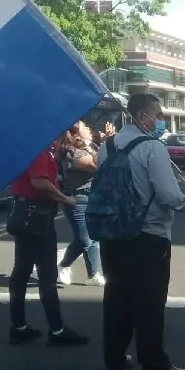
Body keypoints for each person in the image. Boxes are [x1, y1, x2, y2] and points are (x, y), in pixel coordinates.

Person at [95, 93, 185, 370]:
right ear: (143, 116)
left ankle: (115, 359)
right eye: (157, 115)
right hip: (148, 236)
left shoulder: (106, 147)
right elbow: (169, 195)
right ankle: (155, 363)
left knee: (117, 297)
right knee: (149, 302)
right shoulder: (152, 148)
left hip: (113, 234)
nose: (161, 121)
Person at [7, 137, 89, 346]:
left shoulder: (25, 149)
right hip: (37, 218)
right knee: (47, 275)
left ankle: (19, 327)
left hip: (23, 214)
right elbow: (39, 182)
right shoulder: (40, 153)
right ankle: (57, 330)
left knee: (21, 272)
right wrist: (63, 198)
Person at [56, 121, 104, 286]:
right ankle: (63, 264)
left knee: (94, 237)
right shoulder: (73, 153)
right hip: (78, 199)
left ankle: (93, 274)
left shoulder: (91, 148)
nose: (89, 129)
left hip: (94, 197)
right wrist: (104, 143)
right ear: (75, 134)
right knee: (84, 240)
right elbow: (96, 166)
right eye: (84, 127)